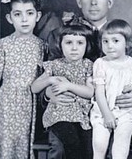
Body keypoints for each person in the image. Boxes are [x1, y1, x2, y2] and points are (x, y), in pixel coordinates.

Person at [40, 0, 132, 158]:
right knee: (63, 148)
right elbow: (45, 79)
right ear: (79, 1)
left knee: (118, 147)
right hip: (69, 111)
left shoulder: (128, 43)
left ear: (109, 2)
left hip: (111, 112)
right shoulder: (59, 36)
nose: (93, 2)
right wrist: (48, 94)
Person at [0, 0, 44, 158]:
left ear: (38, 16)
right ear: (9, 18)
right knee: (5, 149)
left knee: (26, 149)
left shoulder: (43, 46)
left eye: (29, 13)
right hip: (6, 107)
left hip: (31, 107)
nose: (24, 19)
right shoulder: (1, 46)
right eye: (18, 14)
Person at [31, 24, 96, 159]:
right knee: (71, 145)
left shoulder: (88, 65)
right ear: (60, 45)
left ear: (86, 46)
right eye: (68, 43)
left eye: (79, 43)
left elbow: (90, 92)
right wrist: (50, 80)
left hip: (82, 117)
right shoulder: (54, 65)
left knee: (88, 149)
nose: (74, 48)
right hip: (59, 114)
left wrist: (68, 86)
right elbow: (34, 88)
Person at [90, 19, 132, 159]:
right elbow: (99, 93)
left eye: (115, 41)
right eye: (105, 41)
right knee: (99, 144)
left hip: (126, 113)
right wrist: (107, 115)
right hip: (103, 111)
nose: (110, 46)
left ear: (127, 43)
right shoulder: (101, 64)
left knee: (121, 140)